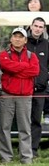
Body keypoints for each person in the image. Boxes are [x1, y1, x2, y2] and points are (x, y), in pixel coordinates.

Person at [0, 27, 39, 164]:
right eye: (15, 36)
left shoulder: (31, 56)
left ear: (25, 40)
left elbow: (35, 71)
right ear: (11, 38)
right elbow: (6, 66)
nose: (17, 39)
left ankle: (26, 157)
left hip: (25, 96)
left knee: (25, 128)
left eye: (20, 37)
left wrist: (15, 69)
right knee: (4, 127)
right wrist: (23, 67)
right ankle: (6, 158)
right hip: (7, 94)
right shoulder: (4, 54)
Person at [26, 17, 49, 158]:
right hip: (24, 88)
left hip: (40, 89)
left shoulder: (47, 44)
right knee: (23, 120)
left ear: (43, 29)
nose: (38, 29)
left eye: (41, 27)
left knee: (36, 120)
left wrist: (45, 78)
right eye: (36, 26)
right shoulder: (23, 42)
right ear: (31, 26)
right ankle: (24, 149)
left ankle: (33, 150)